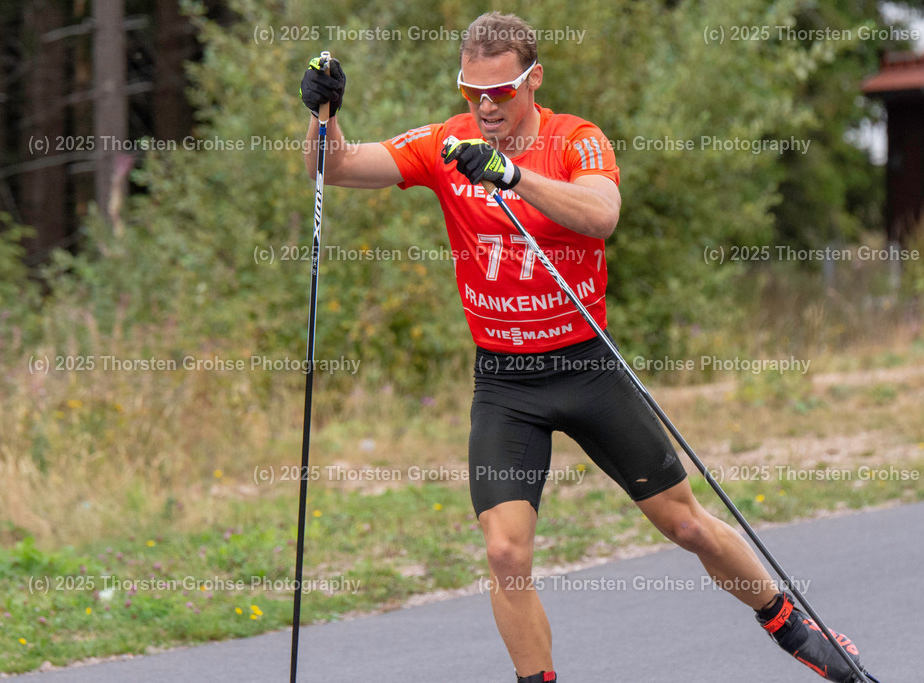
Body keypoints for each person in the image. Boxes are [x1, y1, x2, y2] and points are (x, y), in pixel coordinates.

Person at [299, 11, 871, 683]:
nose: (486, 106)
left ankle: (790, 623)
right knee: (505, 553)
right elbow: (333, 168)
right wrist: (322, 117)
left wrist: (511, 175)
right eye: (472, 91)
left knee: (684, 523)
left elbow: (601, 214)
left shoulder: (577, 139)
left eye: (501, 91)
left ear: (533, 79)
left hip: (586, 368)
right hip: (506, 384)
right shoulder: (445, 143)